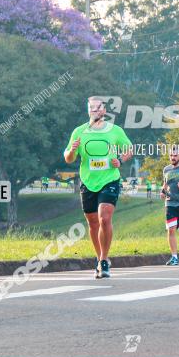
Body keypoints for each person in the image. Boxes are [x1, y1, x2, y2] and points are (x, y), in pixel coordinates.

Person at [64, 96, 133, 279]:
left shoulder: (115, 131)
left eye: (97, 107)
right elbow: (68, 158)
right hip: (88, 181)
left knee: (104, 218)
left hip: (110, 179)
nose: (94, 110)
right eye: (91, 108)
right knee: (93, 223)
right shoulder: (79, 132)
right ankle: (98, 257)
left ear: (104, 110)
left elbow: (129, 149)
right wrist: (72, 150)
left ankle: (104, 260)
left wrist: (120, 160)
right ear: (88, 111)